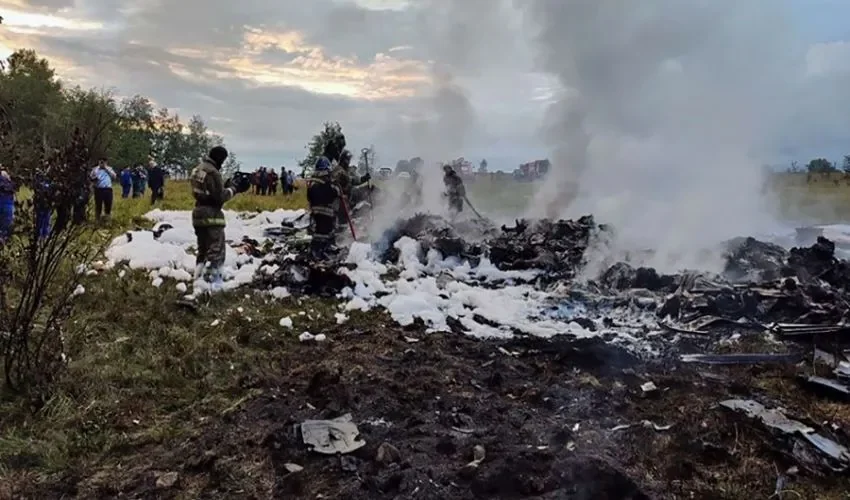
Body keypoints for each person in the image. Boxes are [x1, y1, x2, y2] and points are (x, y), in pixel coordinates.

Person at [190, 146, 248, 291]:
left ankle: (197, 278)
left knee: (202, 249)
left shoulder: (198, 169)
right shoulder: (213, 173)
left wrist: (225, 186)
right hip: (211, 215)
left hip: (198, 212)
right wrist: (234, 189)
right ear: (220, 158)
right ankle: (209, 283)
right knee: (215, 250)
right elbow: (219, 197)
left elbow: (206, 190)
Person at [306, 157, 340, 259]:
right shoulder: (331, 187)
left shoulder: (312, 186)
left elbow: (310, 199)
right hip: (328, 219)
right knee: (328, 239)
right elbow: (336, 194)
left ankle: (316, 253)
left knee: (317, 237)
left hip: (316, 219)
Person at [90, 157, 116, 223]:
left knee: (108, 205)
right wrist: (94, 178)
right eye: (100, 162)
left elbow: (114, 177)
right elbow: (91, 177)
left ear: (106, 162)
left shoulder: (110, 169)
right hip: (99, 189)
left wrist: (106, 169)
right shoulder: (95, 169)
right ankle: (97, 220)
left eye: (103, 162)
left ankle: (107, 220)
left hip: (108, 189)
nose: (102, 163)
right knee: (98, 205)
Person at [0, 166, 15, 244]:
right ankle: (3, 238)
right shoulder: (9, 182)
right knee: (6, 225)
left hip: (4, 205)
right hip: (8, 206)